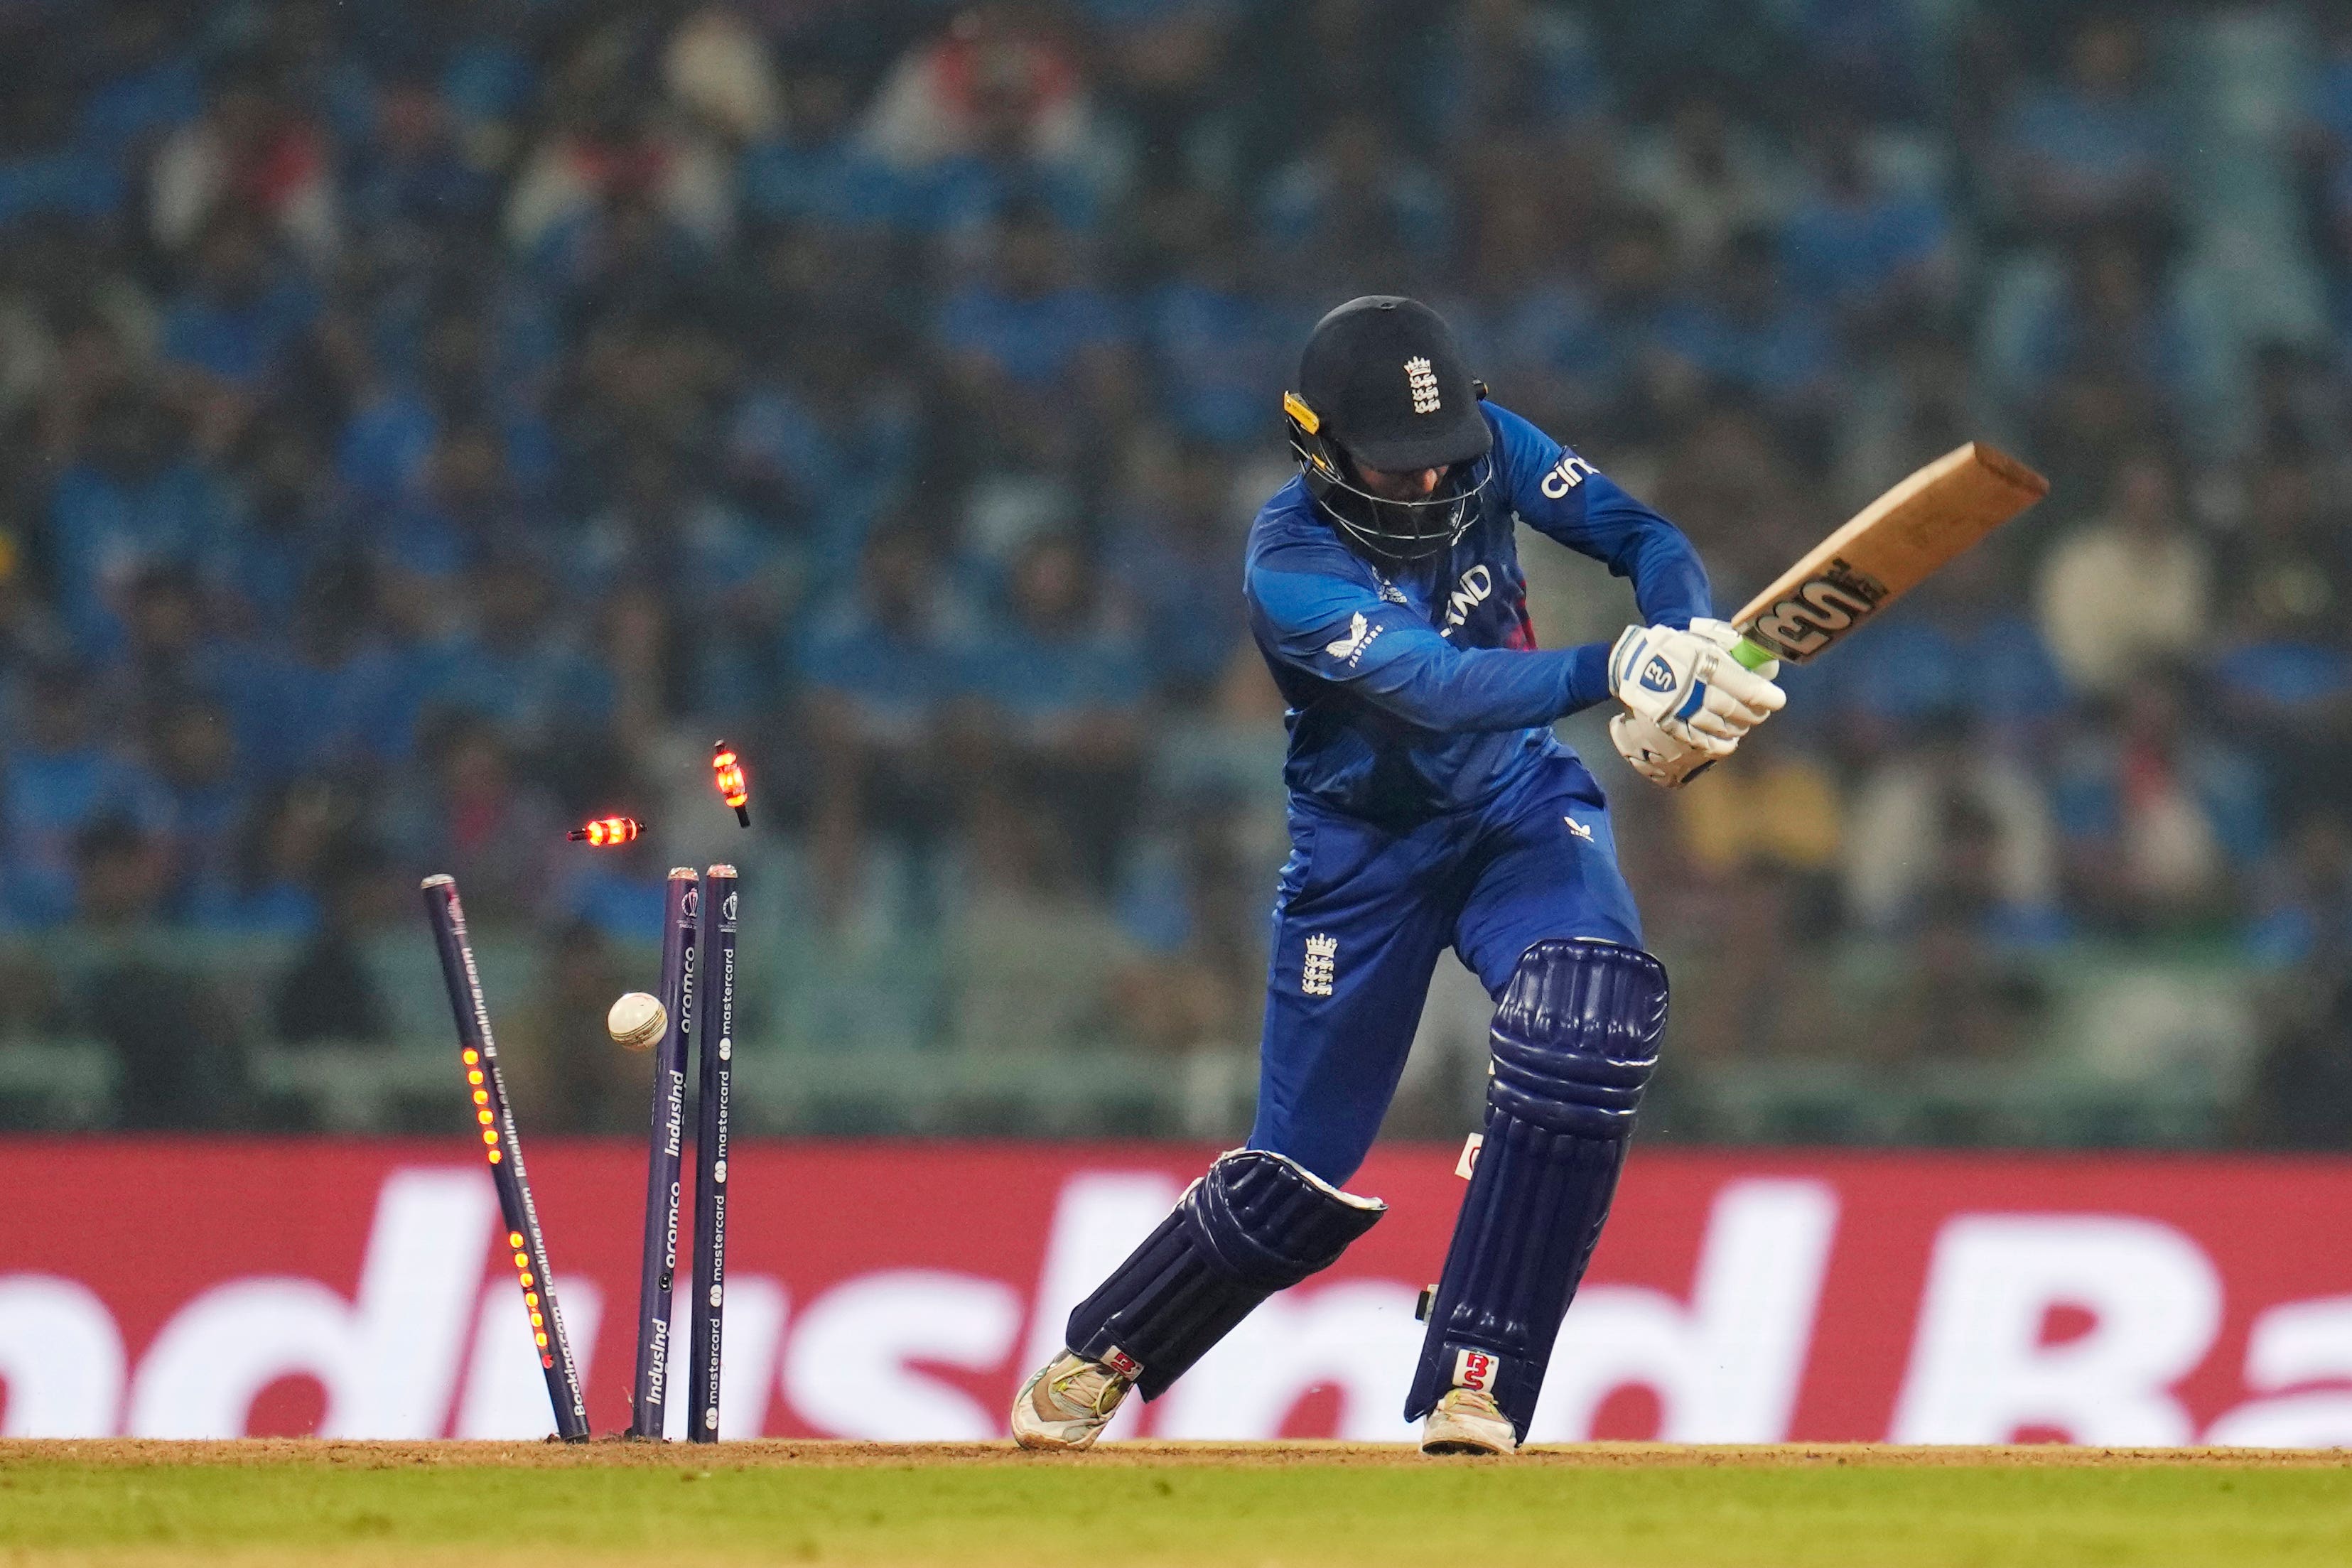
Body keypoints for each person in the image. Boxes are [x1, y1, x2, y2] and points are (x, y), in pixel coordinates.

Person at [1008, 296, 1784, 1456]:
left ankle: (1480, 1374)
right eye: (1394, 465)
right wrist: (1621, 666)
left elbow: (1645, 539)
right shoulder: (1290, 568)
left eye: (1444, 460)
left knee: (1588, 1023)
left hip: (1516, 809)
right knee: (1297, 1181)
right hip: (1362, 856)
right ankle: (1107, 1347)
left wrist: (1689, 639)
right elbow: (1438, 685)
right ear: (1315, 448)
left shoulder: (1485, 444)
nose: (1428, 487)